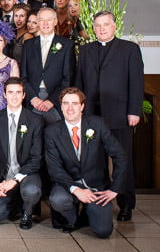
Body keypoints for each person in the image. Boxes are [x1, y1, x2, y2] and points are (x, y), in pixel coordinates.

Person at [75, 11, 144, 222]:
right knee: (94, 162)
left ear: (114, 26)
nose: (101, 29)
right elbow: (79, 82)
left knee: (123, 159)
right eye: (97, 25)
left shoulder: (130, 49)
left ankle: (126, 204)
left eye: (106, 24)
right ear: (93, 28)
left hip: (119, 115)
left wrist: (134, 111)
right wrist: (78, 111)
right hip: (91, 116)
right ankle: (96, 204)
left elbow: (137, 82)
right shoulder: (86, 50)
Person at [45, 87, 127, 238]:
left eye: (75, 103)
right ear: (61, 106)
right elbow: (54, 168)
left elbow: (119, 155)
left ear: (82, 106)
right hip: (68, 184)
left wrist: (115, 188)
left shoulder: (97, 124)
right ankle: (73, 218)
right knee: (58, 199)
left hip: (96, 186)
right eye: (66, 103)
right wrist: (76, 190)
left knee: (103, 231)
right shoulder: (52, 131)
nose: (70, 108)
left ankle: (87, 213)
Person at [0, 77, 43, 229]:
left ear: (23, 95)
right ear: (4, 95)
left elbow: (36, 158)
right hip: (4, 175)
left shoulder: (35, 120)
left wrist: (14, 181)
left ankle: (27, 212)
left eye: (18, 92)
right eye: (10, 92)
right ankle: (14, 203)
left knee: (31, 190)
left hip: (26, 174)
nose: (14, 96)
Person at [22, 7, 74, 126]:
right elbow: (23, 76)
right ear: (38, 22)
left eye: (49, 20)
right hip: (33, 100)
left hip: (55, 100)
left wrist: (52, 101)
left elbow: (68, 78)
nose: (45, 23)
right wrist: (33, 98)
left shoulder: (67, 45)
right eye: (41, 20)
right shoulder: (28, 45)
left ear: (55, 22)